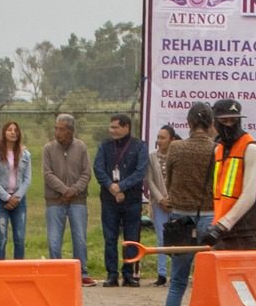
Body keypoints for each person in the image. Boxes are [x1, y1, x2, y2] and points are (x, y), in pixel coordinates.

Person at [141, 104, 219, 306]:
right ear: (210, 124)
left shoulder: (176, 148)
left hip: (180, 219)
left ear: (188, 124)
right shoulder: (216, 150)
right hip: (210, 217)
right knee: (207, 284)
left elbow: (170, 181)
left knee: (177, 282)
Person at [200, 97, 256, 253]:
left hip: (247, 231)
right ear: (215, 122)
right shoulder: (219, 150)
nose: (229, 125)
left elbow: (249, 195)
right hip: (222, 231)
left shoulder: (251, 149)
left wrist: (223, 225)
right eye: (225, 121)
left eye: (233, 120)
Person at [95, 115, 148, 286]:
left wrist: (122, 186)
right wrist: (112, 187)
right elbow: (98, 168)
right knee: (110, 237)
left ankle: (129, 273)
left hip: (131, 199)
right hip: (109, 199)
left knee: (131, 237)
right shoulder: (105, 146)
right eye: (110, 127)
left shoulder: (139, 146)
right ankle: (111, 274)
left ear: (126, 127)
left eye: (116, 127)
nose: (112, 131)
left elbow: (140, 171)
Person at [42, 113, 92, 278]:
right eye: (56, 129)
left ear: (71, 131)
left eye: (61, 129)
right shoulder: (48, 148)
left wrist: (74, 190)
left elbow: (86, 173)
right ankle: (56, 272)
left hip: (78, 200)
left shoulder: (81, 147)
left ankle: (81, 273)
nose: (57, 132)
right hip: (55, 201)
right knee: (54, 240)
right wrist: (64, 190)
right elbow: (47, 174)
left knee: (79, 238)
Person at [0, 120, 31, 260]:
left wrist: (16, 197)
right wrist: (6, 197)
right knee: (2, 238)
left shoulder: (25, 154)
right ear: (3, 133)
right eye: (9, 130)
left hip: (19, 201)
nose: (13, 132)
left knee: (19, 237)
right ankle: (1, 271)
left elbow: (27, 179)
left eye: (15, 130)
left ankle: (19, 271)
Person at [144, 125, 176, 284]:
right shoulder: (152, 157)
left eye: (163, 137)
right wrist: (161, 199)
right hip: (159, 203)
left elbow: (180, 178)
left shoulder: (177, 156)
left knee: (178, 239)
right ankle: (162, 274)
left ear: (172, 139)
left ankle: (176, 273)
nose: (159, 140)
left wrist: (172, 198)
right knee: (161, 238)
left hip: (177, 203)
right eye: (158, 137)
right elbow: (149, 180)